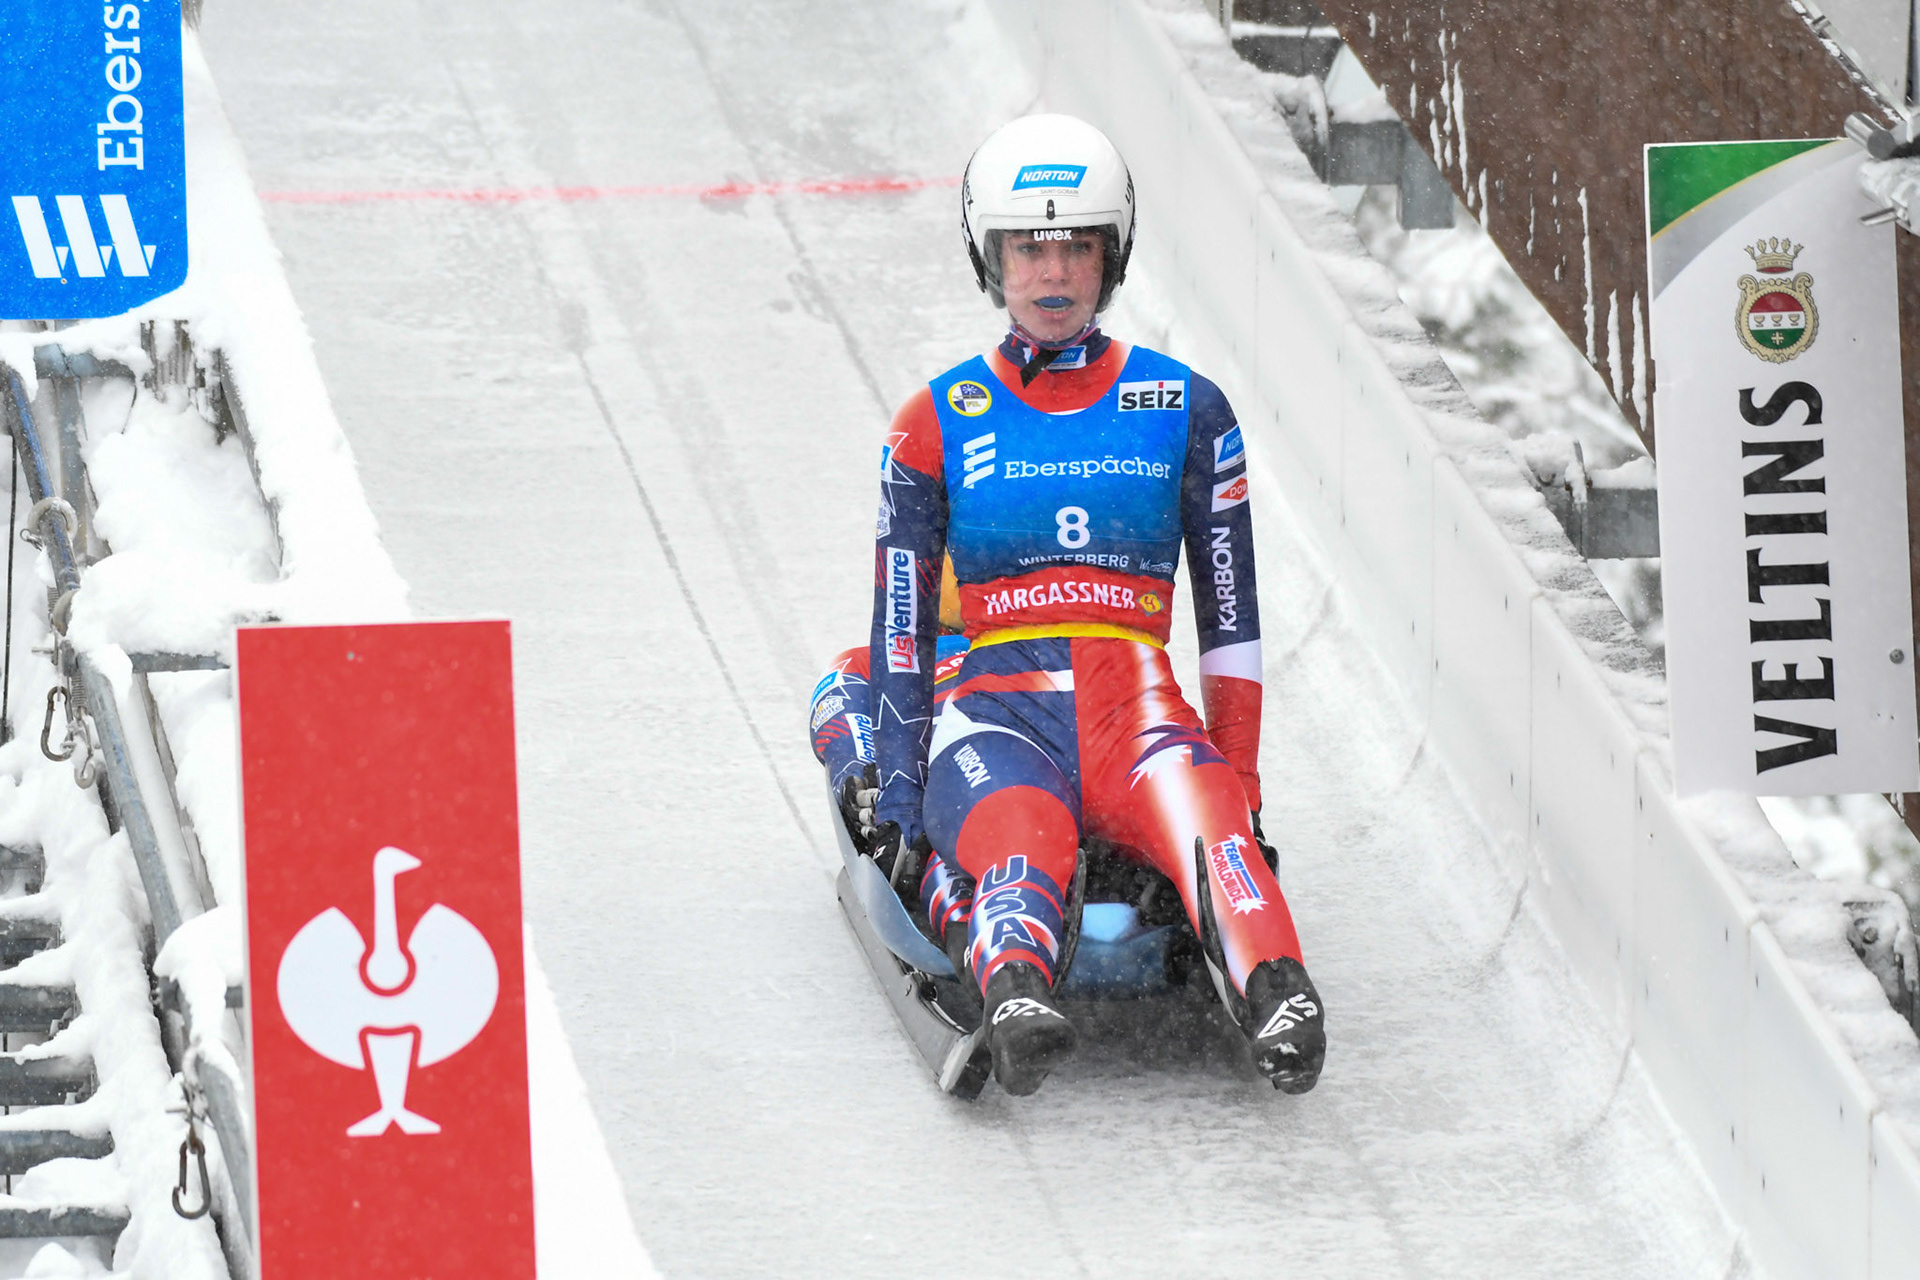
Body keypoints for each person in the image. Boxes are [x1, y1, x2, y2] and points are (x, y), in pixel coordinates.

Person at [864, 113, 1326, 1097]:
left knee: (1211, 820)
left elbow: (1231, 619)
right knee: (1017, 833)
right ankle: (1020, 987)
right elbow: (901, 624)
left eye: (1076, 243)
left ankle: (1280, 989)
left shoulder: (1186, 407)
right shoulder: (933, 420)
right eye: (1029, 245)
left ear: (1111, 253)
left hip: (1138, 705)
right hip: (999, 705)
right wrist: (901, 797)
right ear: (990, 254)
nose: (1053, 270)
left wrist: (1242, 773)